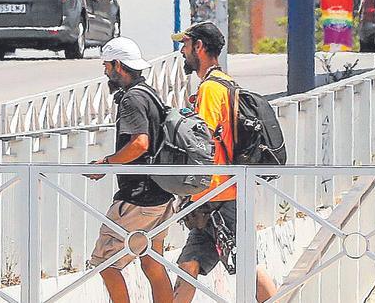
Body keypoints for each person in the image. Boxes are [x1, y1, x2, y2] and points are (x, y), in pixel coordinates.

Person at [169, 21, 277, 302]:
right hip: (213, 195)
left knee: (246, 266)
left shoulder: (211, 90)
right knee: (188, 264)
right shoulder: (227, 83)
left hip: (221, 194)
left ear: (200, 47)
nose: (182, 51)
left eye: (186, 44)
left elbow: (199, 141)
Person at [86, 37, 175, 303]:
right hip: (161, 195)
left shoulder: (132, 100)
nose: (105, 71)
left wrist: (107, 163)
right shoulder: (150, 93)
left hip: (138, 198)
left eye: (107, 65)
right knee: (152, 262)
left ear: (118, 65)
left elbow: (139, 143)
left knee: (106, 263)